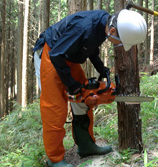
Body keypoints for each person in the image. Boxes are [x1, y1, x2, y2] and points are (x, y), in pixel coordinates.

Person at [33, 9, 147, 166]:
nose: (119, 45)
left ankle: (86, 145)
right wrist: (71, 85)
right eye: (119, 41)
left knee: (84, 97)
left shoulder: (102, 24)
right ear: (113, 31)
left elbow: (90, 46)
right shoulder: (82, 27)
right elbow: (56, 55)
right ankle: (54, 159)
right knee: (55, 107)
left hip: (66, 55)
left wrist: (101, 68)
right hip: (51, 53)